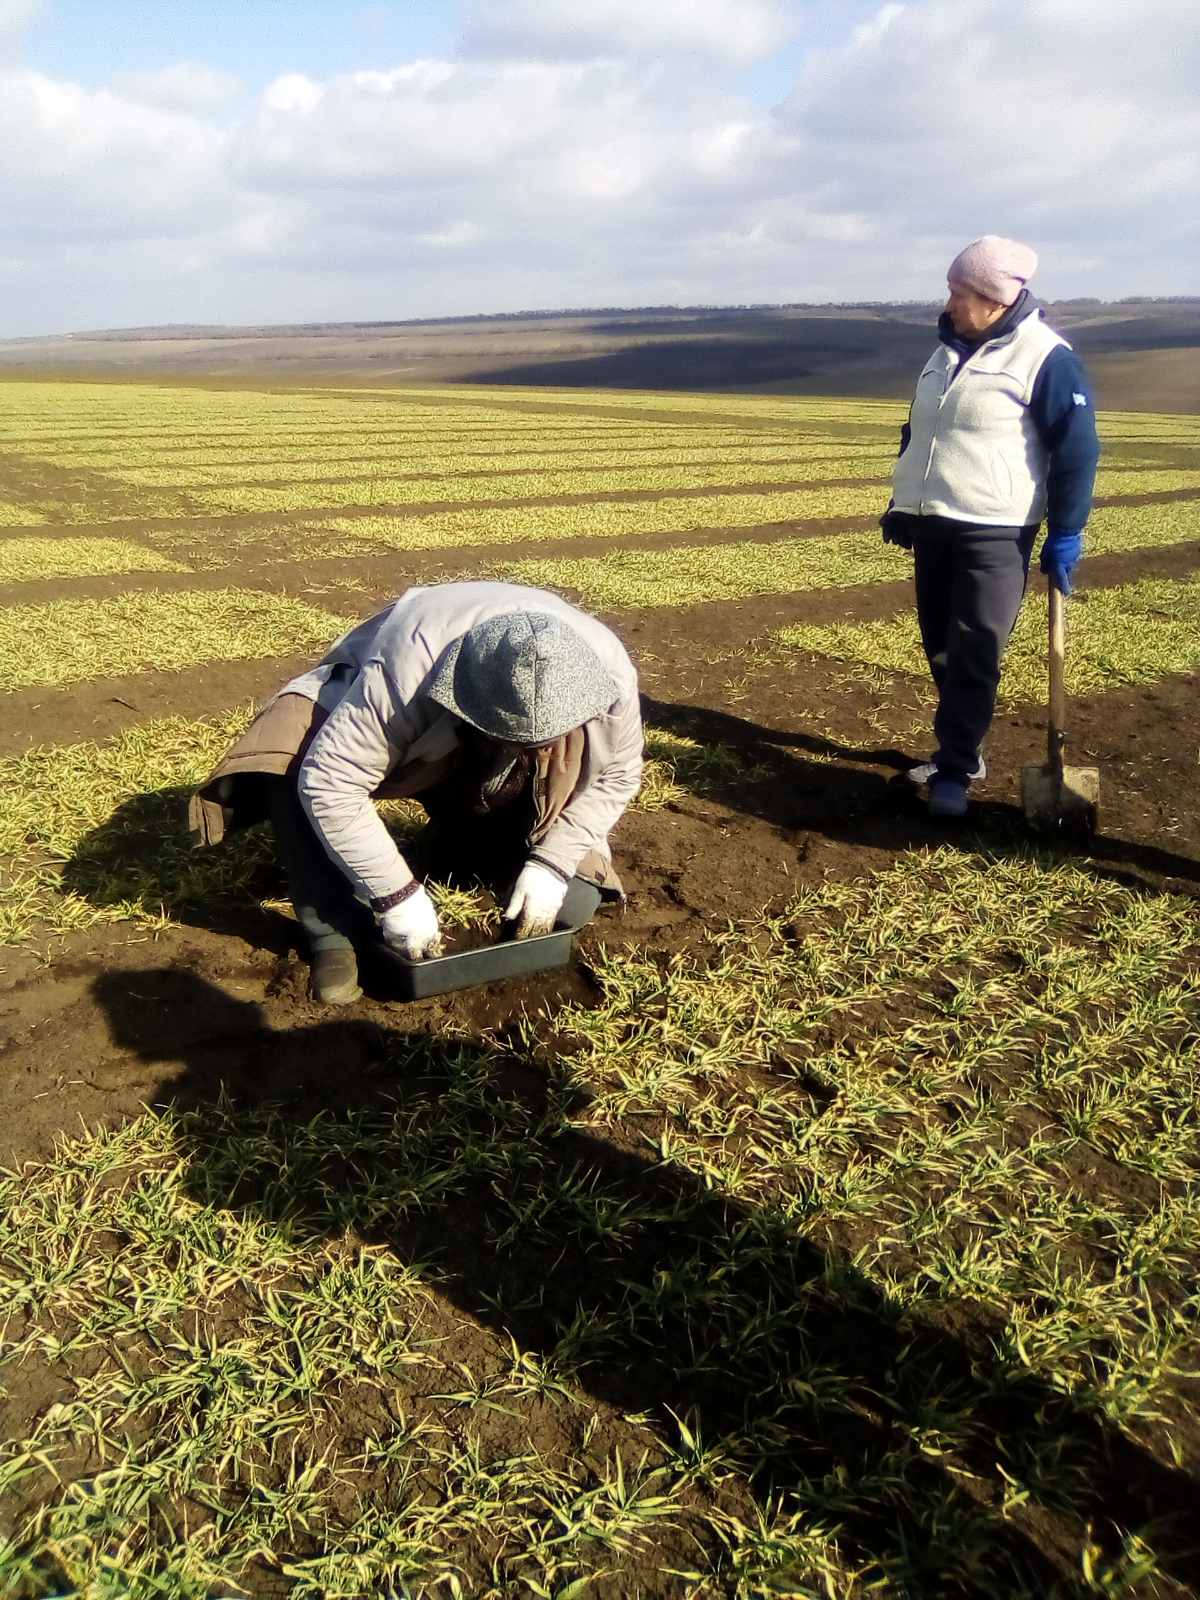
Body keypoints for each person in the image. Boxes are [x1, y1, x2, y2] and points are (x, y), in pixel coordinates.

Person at [190, 581, 643, 1004]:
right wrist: (395, 896)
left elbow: (619, 776)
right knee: (293, 752)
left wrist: (553, 864)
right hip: (415, 716)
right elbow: (330, 780)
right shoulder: (410, 665)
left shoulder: (608, 679)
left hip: (485, 745)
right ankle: (333, 930)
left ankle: (458, 846)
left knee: (575, 901)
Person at [881, 234, 1101, 818]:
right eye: (950, 290)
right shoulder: (944, 353)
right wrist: (904, 502)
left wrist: (1066, 531)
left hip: (995, 529)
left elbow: (1077, 449)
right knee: (941, 646)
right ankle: (966, 750)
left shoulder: (1047, 358)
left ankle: (954, 768)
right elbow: (920, 432)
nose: (949, 302)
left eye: (960, 293)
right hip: (935, 524)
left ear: (996, 299)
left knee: (975, 648)